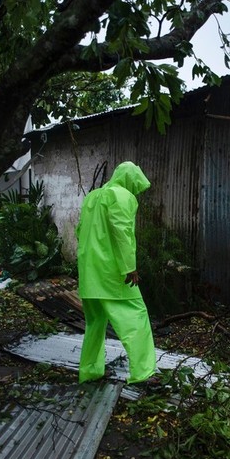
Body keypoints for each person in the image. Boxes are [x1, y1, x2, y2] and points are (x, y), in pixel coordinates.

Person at [76, 161, 157, 384]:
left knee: (95, 323)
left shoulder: (92, 196)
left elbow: (79, 230)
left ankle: (90, 371)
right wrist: (129, 267)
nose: (135, 191)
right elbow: (122, 232)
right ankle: (143, 372)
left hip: (89, 274)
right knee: (136, 318)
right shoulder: (122, 196)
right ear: (131, 180)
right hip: (112, 274)